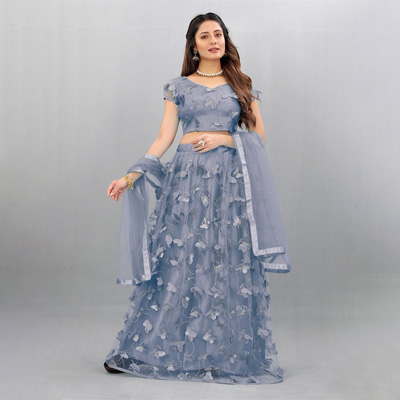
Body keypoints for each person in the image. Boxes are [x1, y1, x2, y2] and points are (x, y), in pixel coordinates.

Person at [104, 12, 291, 385]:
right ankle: (143, 350)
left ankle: (224, 355)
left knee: (225, 261)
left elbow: (259, 138)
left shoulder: (241, 84)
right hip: (186, 182)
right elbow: (164, 138)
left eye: (218, 34)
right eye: (204, 36)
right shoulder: (178, 87)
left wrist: (223, 138)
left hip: (229, 185)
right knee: (176, 261)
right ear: (193, 45)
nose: (213, 41)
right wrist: (131, 175)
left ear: (225, 39)